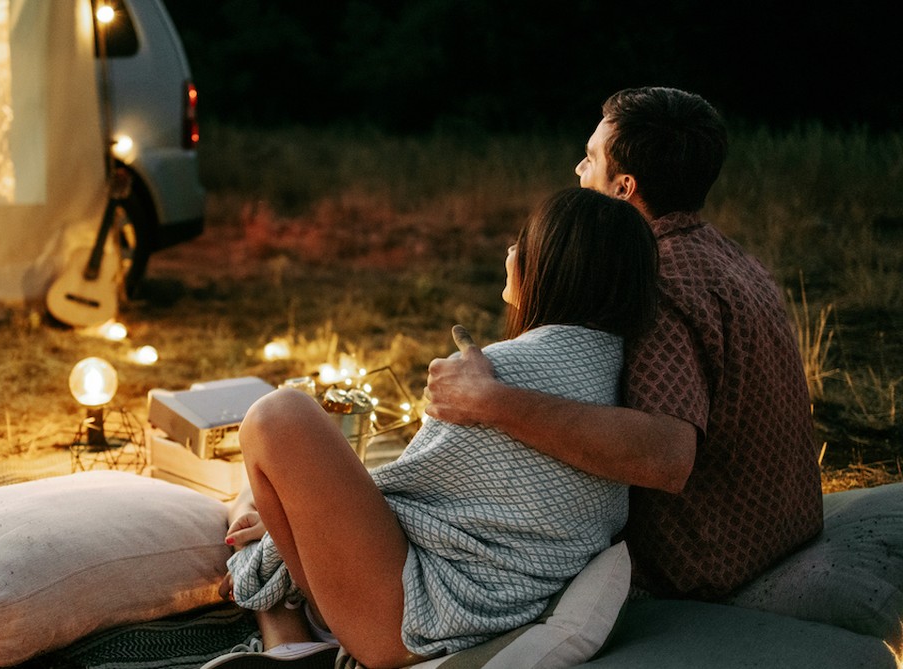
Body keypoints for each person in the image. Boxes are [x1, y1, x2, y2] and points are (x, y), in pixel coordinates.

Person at [204, 187, 659, 669]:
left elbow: (400, 492)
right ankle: (287, 636)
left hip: (415, 619)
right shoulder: (615, 384)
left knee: (277, 418)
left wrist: (284, 530)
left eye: (523, 241)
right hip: (495, 604)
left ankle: (287, 633)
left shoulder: (500, 372)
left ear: (552, 266)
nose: (510, 252)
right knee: (255, 503)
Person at [425, 87, 824, 601]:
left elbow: (666, 455)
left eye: (591, 160)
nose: (577, 170)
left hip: (706, 561)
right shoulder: (726, 256)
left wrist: (490, 401)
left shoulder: (655, 280)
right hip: (780, 526)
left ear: (622, 188)